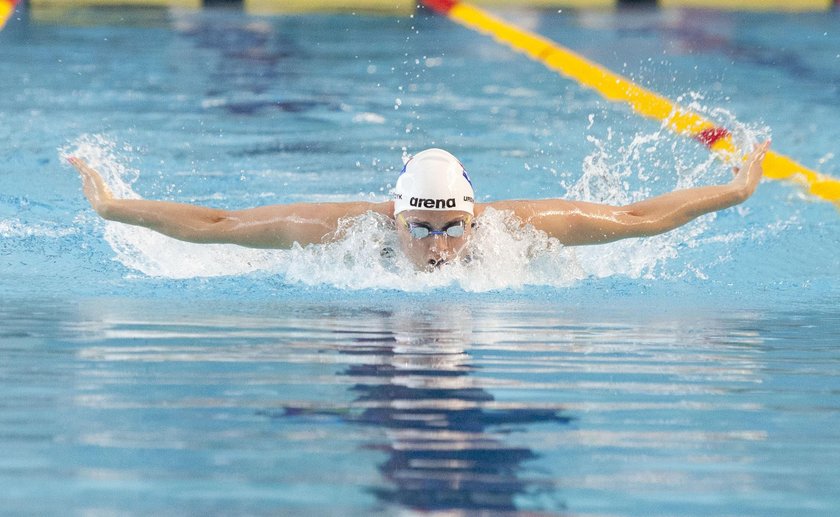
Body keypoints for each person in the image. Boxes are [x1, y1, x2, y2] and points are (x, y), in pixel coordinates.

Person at [69, 141, 769, 270]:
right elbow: (220, 227)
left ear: (475, 215)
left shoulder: (516, 231)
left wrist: (734, 191)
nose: (437, 246)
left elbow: (639, 218)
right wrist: (114, 208)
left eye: (452, 228)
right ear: (393, 216)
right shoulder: (348, 233)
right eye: (421, 227)